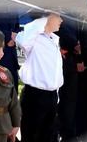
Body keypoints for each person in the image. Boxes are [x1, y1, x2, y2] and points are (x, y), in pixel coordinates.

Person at [15, 13, 64, 142]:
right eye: (58, 16)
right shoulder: (32, 38)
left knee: (50, 136)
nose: (61, 20)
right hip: (35, 96)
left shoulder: (54, 39)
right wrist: (44, 18)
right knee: (32, 136)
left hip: (52, 96)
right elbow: (24, 40)